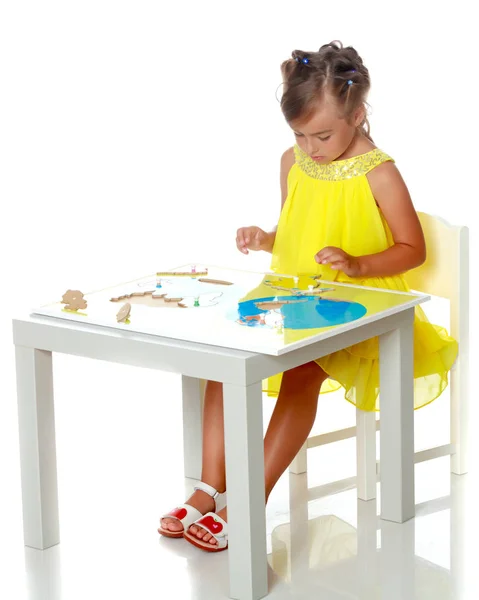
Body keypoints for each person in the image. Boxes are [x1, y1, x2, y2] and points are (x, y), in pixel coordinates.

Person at [158, 40, 458, 551]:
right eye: (299, 134)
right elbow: (295, 230)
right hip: (290, 293)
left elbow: (412, 249)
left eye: (322, 134)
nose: (311, 147)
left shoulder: (379, 171)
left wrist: (358, 263)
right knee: (219, 360)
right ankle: (210, 489)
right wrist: (267, 239)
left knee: (300, 374)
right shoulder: (292, 161)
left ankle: (251, 502)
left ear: (358, 115)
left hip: (357, 303)